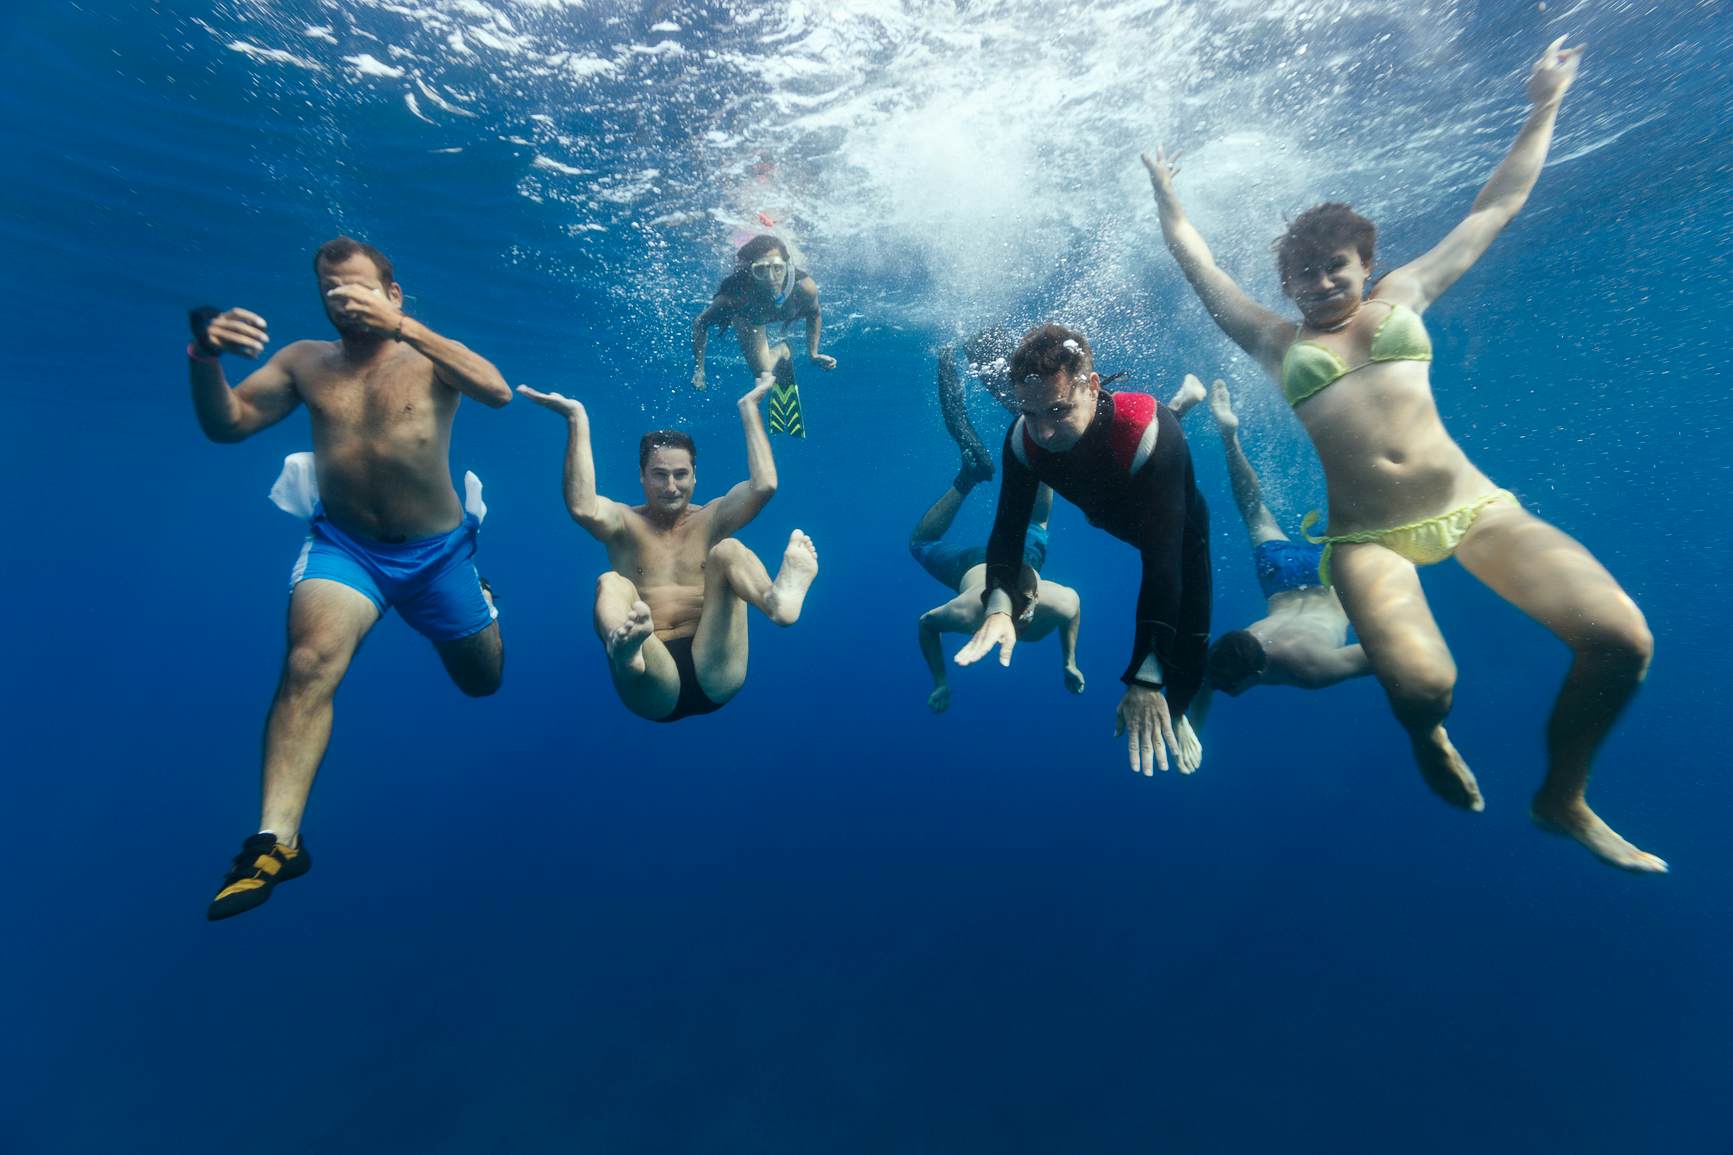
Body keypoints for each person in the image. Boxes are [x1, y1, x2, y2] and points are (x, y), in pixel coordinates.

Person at [1145, 37, 1663, 872]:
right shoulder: (1275, 341)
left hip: (1474, 507)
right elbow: (1196, 261)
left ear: (1366, 264)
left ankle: (1562, 796)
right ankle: (1425, 733)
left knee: (1621, 638)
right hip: (1364, 538)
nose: (1321, 283)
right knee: (1424, 687)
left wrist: (1544, 103)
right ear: (1286, 285)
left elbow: (1494, 207)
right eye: (1303, 274)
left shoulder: (1405, 295)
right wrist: (1167, 192)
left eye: (1334, 268)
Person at [190, 236, 514, 920]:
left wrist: (405, 328)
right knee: (307, 663)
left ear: (392, 293)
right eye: (330, 290)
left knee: (482, 681)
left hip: (438, 554)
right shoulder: (304, 361)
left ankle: (482, 601)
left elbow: (496, 391)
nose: (343, 300)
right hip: (346, 548)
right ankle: (275, 842)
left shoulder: (428, 355)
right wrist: (204, 356)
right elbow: (228, 425)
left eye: (359, 288)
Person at [956, 324, 1209, 776]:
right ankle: (1178, 406)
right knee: (1102, 456)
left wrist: (1146, 678)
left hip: (1175, 524)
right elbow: (1007, 531)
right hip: (1107, 504)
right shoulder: (1024, 438)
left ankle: (1180, 710)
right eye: (1029, 411)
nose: (1044, 430)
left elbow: (1162, 565)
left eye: (1057, 410)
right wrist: (998, 607)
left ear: (1092, 386)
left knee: (1190, 627)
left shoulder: (1149, 432)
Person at [519, 374, 819, 721]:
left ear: (695, 475)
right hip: (650, 675)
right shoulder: (623, 524)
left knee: (728, 550)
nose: (671, 486)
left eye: (680, 474)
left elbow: (763, 486)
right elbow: (583, 507)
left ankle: (777, 601)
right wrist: (576, 418)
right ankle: (624, 647)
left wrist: (749, 407)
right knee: (611, 582)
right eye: (660, 475)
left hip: (717, 665)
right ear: (642, 476)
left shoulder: (713, 518)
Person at [1167, 377, 1370, 710]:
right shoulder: (1235, 653)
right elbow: (1208, 679)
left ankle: (1361, 435)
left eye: (1230, 687)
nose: (1225, 690)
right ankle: (1229, 436)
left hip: (1331, 581)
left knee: (1369, 527)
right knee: (1254, 512)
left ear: (1257, 674)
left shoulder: (1311, 670)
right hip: (1281, 576)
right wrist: (1185, 725)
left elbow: (1386, 655)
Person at [914, 347, 1083, 712]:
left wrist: (1070, 661)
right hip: (984, 565)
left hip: (1004, 563)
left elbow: (1073, 608)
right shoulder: (970, 611)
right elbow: (926, 624)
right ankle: (1031, 436)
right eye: (1019, 608)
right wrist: (940, 681)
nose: (1019, 614)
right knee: (1034, 522)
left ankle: (975, 472)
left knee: (922, 543)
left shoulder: (1057, 602)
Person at [691, 234, 835, 438]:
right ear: (750, 272)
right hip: (749, 318)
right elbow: (700, 323)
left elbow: (814, 313)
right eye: (761, 270)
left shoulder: (804, 287)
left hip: (760, 311)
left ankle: (783, 349)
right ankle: (782, 350)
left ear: (787, 266)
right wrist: (699, 369)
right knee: (763, 373)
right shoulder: (734, 298)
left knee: (764, 374)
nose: (771, 277)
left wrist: (814, 353)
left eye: (778, 268)